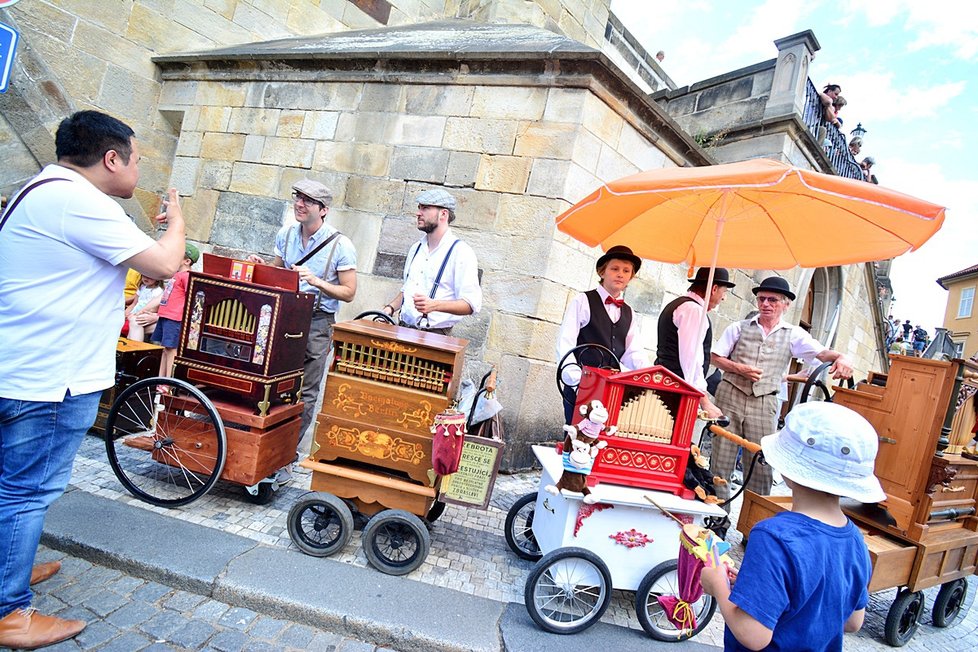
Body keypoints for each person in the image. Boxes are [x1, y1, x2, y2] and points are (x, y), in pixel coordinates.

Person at [0, 110, 186, 649]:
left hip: (22, 369)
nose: (138, 168)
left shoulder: (40, 188)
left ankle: (9, 569)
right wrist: (176, 220)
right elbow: (166, 264)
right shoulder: (83, 200)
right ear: (111, 159)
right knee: (26, 490)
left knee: (13, 483)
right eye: (136, 158)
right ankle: (9, 611)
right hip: (49, 379)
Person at [701, 401, 883, 651]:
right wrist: (750, 586)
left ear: (788, 468)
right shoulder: (855, 540)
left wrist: (718, 586)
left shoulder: (773, 537)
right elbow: (853, 621)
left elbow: (753, 635)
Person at [709, 276, 854, 508]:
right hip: (730, 396)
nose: (766, 304)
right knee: (721, 458)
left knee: (762, 461)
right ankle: (716, 519)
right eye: (762, 299)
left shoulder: (794, 334)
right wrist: (739, 368)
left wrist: (842, 357)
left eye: (773, 300)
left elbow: (822, 354)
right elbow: (715, 357)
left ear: (786, 304)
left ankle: (753, 522)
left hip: (765, 402)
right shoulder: (738, 327)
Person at [248, 179, 357, 463]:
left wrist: (316, 281)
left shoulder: (341, 245)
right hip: (284, 317)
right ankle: (263, 442)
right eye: (298, 197)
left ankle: (288, 451)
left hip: (318, 322)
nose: (299, 204)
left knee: (305, 389)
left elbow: (349, 292)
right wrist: (259, 266)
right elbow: (276, 273)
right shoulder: (286, 234)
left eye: (307, 200)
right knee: (272, 380)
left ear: (323, 210)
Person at [556, 245, 651, 424]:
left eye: (626, 271)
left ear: (631, 277)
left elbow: (633, 351)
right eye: (614, 269)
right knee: (578, 439)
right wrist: (576, 380)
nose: (620, 274)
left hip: (613, 389)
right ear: (602, 272)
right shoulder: (583, 301)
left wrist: (646, 375)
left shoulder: (629, 312)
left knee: (606, 440)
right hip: (583, 386)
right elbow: (566, 342)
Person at [382, 189, 481, 336]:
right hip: (402, 331)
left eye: (425, 208)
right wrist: (389, 309)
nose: (418, 213)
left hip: (435, 337)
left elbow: (471, 304)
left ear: (443, 214)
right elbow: (408, 290)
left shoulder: (461, 252)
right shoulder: (416, 248)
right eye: (419, 208)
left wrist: (434, 305)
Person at [655, 267, 736, 419]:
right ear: (714, 289)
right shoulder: (693, 310)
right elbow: (691, 359)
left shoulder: (682, 305)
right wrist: (704, 401)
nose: (723, 298)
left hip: (666, 384)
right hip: (676, 391)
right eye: (724, 292)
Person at [152, 244, 200, 376]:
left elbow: (191, 296)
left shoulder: (187, 276)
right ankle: (160, 379)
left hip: (175, 317)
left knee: (171, 348)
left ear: (187, 261)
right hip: (166, 315)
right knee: (165, 348)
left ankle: (168, 380)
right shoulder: (177, 275)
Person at [125, 274, 164, 342]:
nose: (146, 278)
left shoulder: (158, 291)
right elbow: (134, 303)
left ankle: (134, 348)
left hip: (145, 314)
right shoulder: (142, 287)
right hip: (134, 313)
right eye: (144, 276)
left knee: (137, 323)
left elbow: (155, 308)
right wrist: (126, 313)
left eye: (150, 276)